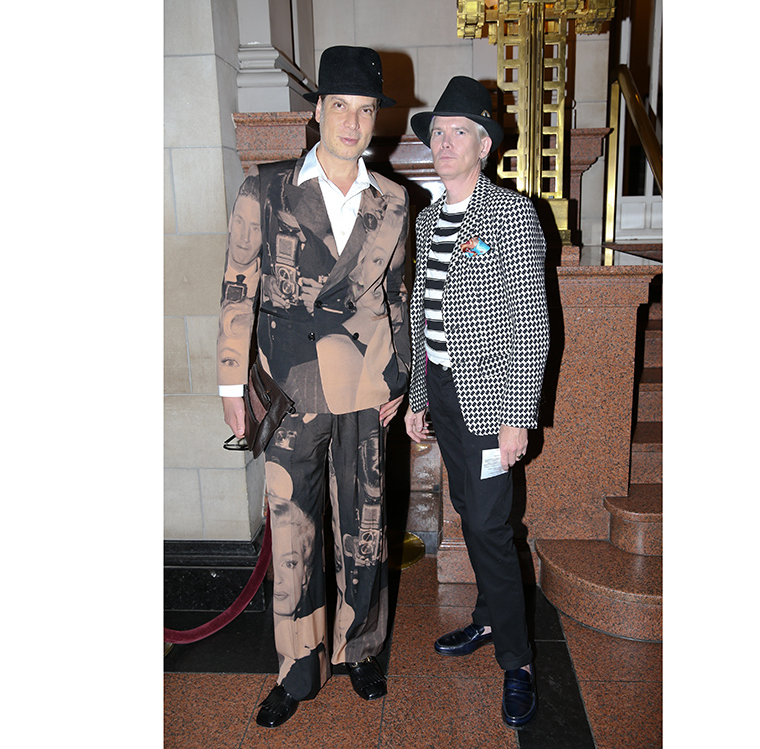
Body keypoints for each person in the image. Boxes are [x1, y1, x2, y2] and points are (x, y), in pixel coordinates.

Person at [217, 45, 411, 729]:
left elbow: (397, 294)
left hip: (365, 383)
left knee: (365, 525)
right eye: (341, 106)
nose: (353, 123)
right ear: (319, 110)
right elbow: (238, 286)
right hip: (291, 382)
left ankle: (363, 651)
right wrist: (231, 384)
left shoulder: (394, 200)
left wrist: (401, 376)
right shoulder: (265, 190)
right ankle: (297, 668)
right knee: (293, 526)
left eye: (366, 109)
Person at [403, 76, 550, 729]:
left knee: (489, 525)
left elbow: (531, 322)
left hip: (492, 399)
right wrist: (417, 395)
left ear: (484, 145)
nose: (443, 142)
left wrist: (517, 416)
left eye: (457, 131)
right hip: (443, 389)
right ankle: (490, 616)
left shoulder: (511, 214)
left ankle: (517, 661)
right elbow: (421, 313)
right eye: (436, 132)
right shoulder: (428, 219)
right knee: (469, 509)